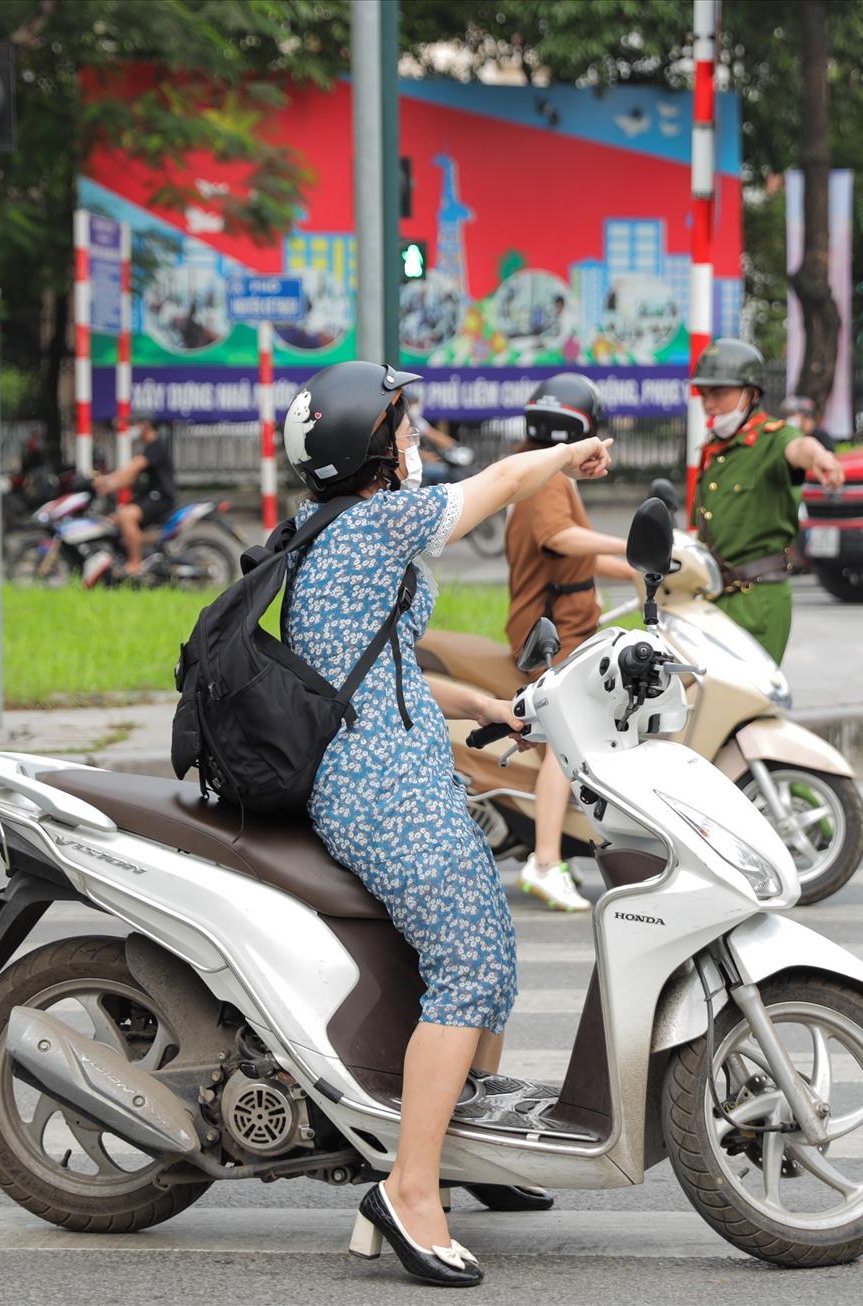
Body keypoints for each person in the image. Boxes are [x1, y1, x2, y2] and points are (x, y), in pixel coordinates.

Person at [280, 360, 612, 1287]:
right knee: (467, 965)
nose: (417, 441)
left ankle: (467, 1150)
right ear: (370, 452)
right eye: (404, 429)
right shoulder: (373, 522)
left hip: (399, 764)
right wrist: (570, 454)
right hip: (380, 786)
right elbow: (500, 481)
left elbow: (375, 666)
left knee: (490, 950)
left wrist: (486, 707)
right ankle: (411, 1189)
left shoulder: (328, 530)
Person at [504, 373, 635, 913]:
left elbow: (576, 557)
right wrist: (630, 544)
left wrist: (644, 567)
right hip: (550, 633)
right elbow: (558, 538)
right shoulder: (545, 478)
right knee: (566, 744)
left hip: (564, 626)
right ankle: (545, 861)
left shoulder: (543, 470)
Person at [689, 338, 846, 661]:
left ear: (751, 393)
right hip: (714, 598)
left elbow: (798, 448)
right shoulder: (715, 449)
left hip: (757, 600)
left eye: (719, 393)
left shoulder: (772, 439)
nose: (709, 404)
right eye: (704, 394)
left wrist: (820, 457)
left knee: (747, 690)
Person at [93, 418, 177, 577]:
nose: (133, 428)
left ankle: (134, 564)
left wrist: (106, 479)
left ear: (146, 425)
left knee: (126, 515)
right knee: (111, 520)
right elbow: (131, 479)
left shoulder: (156, 446)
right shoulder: (148, 448)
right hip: (150, 497)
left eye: (135, 424)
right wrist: (108, 487)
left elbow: (132, 468)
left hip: (160, 498)